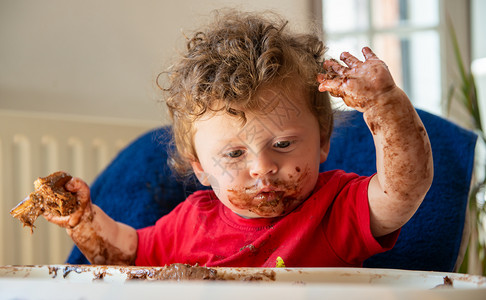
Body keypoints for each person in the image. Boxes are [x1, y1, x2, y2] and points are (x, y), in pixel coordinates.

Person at [43, 10, 433, 267]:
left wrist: (384, 104)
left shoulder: (334, 211)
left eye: (283, 145)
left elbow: (403, 189)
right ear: (200, 168)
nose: (262, 167)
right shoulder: (190, 224)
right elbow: (128, 257)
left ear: (322, 141)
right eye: (233, 153)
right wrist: (83, 221)